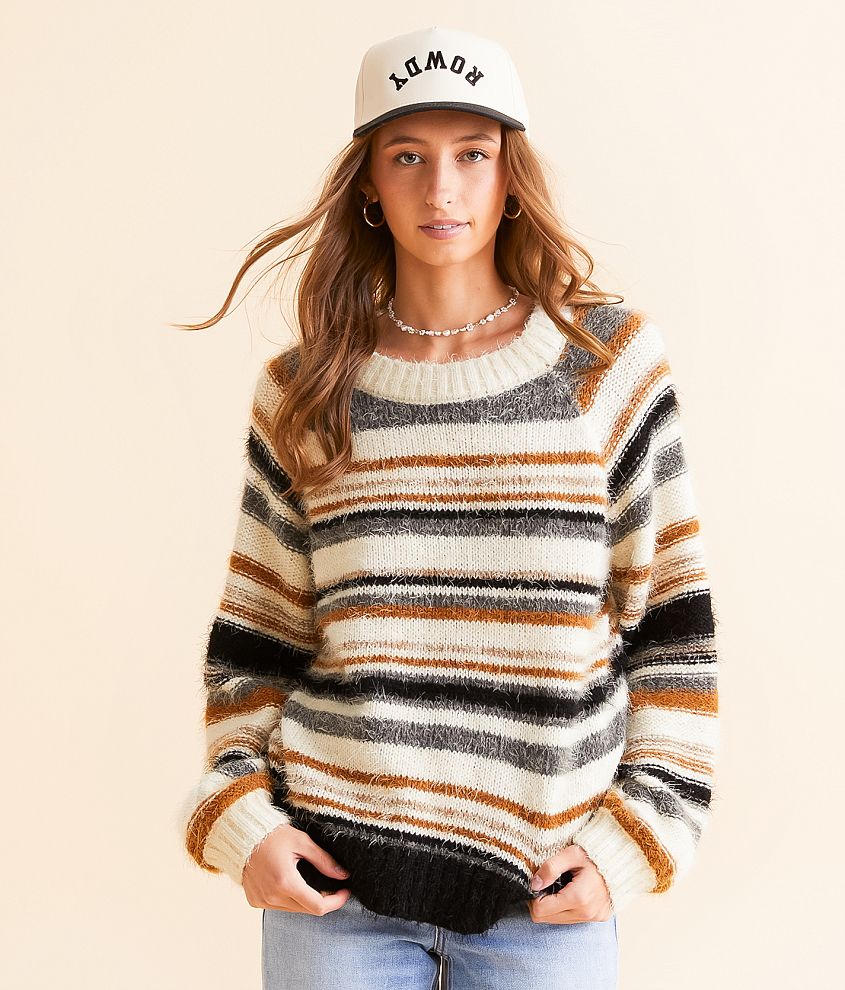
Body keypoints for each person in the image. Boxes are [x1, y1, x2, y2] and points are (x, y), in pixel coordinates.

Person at [176, 24, 720, 990]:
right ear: (367, 184)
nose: (441, 190)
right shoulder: (306, 393)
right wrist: (242, 820)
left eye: (472, 154)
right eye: (407, 157)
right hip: (333, 892)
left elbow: (672, 631)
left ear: (510, 177)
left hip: (543, 893)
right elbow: (254, 648)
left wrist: (638, 837)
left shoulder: (603, 367)